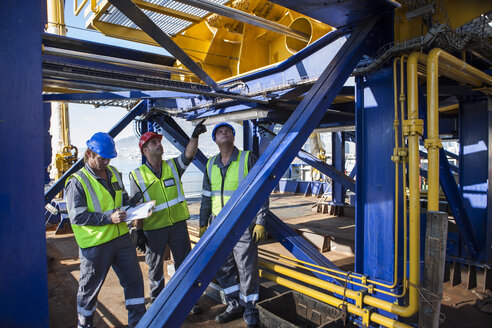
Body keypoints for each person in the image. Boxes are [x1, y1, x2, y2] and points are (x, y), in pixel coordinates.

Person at [65, 132, 146, 328]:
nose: (106, 162)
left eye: (109, 158)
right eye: (102, 158)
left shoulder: (114, 173)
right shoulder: (77, 181)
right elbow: (77, 216)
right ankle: (85, 325)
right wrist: (109, 219)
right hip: (96, 245)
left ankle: (138, 323)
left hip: (121, 239)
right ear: (89, 154)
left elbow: (122, 199)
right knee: (89, 290)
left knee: (134, 280)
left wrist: (135, 207)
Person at [129, 121, 206, 307]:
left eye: (159, 141)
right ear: (145, 150)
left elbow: (189, 154)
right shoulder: (137, 175)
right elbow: (137, 206)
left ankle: (187, 300)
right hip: (153, 229)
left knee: (184, 265)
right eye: (154, 143)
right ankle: (157, 302)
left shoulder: (172, 166)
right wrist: (138, 230)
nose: (159, 144)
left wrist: (194, 136)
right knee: (155, 268)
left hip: (178, 225)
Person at [199, 122, 267, 328]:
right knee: (223, 268)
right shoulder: (210, 164)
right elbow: (206, 197)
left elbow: (261, 190)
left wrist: (261, 221)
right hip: (218, 226)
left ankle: (251, 313)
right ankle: (234, 304)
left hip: (243, 224)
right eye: (219, 131)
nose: (223, 132)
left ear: (234, 136)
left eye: (228, 130)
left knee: (247, 269)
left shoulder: (247, 158)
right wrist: (203, 224)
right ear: (214, 140)